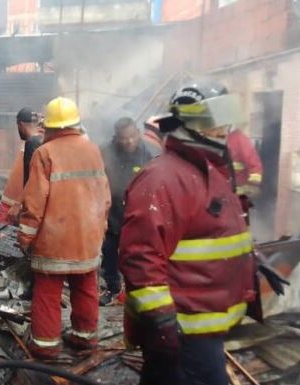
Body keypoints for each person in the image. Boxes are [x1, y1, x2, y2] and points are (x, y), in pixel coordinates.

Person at [118, 80, 257, 385]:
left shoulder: (206, 171)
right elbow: (140, 259)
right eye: (215, 122)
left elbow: (211, 237)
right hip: (185, 330)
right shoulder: (165, 179)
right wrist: (163, 323)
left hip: (201, 326)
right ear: (191, 125)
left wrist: (250, 265)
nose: (224, 130)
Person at [18, 97, 111, 359]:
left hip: (54, 240)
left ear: (49, 126)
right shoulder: (93, 150)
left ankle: (46, 347)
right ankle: (85, 337)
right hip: (87, 238)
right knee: (85, 286)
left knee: (47, 292)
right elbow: (104, 196)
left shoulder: (44, 153)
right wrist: (100, 229)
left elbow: (34, 202)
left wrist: (25, 237)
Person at [99, 117, 159, 306]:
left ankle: (137, 291)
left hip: (138, 213)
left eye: (132, 136)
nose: (129, 141)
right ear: (116, 138)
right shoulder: (105, 151)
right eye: (124, 138)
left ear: (138, 134)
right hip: (112, 211)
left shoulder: (149, 154)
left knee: (137, 256)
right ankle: (113, 288)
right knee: (109, 252)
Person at [0, 108, 43, 224]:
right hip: (18, 204)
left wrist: (18, 203)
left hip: (14, 207)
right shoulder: (40, 139)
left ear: (20, 125)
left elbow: (33, 178)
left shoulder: (33, 143)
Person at [227, 128, 263, 198]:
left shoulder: (238, 138)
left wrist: (253, 185)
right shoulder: (205, 139)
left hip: (238, 192)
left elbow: (254, 164)